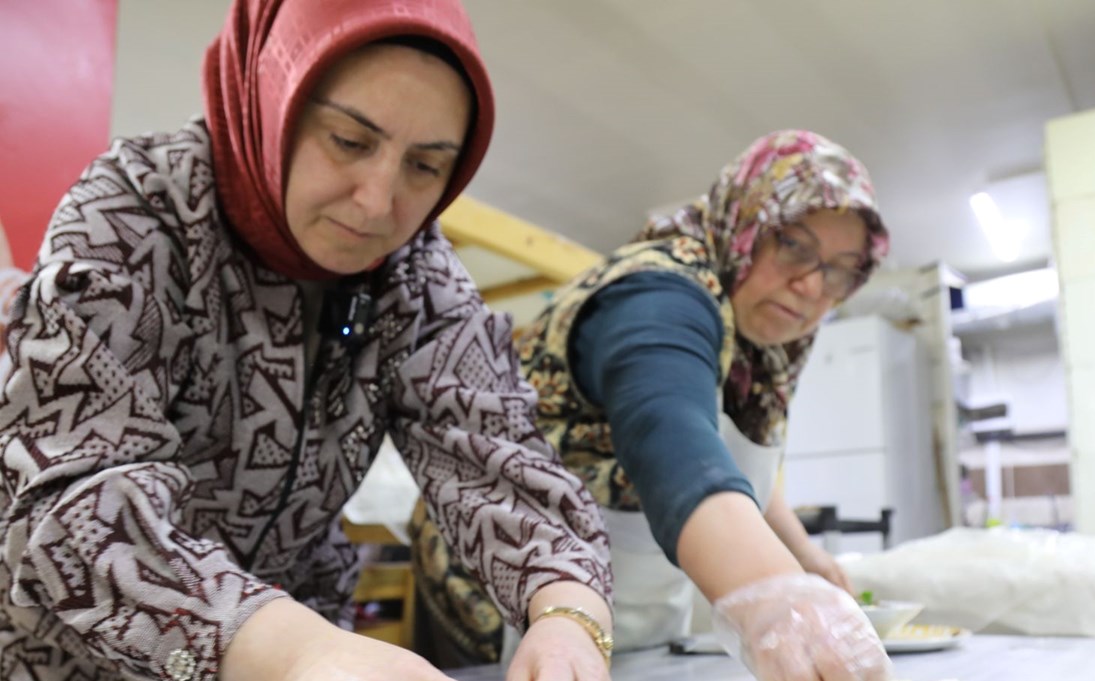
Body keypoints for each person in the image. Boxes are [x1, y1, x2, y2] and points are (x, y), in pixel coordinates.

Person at [0, 1, 616, 679]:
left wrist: (568, 616)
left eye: (425, 167)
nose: (378, 202)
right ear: (275, 99)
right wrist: (298, 650)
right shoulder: (139, 213)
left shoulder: (416, 278)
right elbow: (78, 498)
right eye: (349, 142)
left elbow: (497, 454)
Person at [415, 130, 894, 680]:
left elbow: (737, 459)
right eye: (793, 244)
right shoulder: (660, 296)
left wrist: (803, 556)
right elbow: (670, 435)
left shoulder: (761, 353)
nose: (812, 284)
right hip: (504, 585)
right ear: (745, 224)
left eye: (840, 268)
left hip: (634, 607)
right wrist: (778, 595)